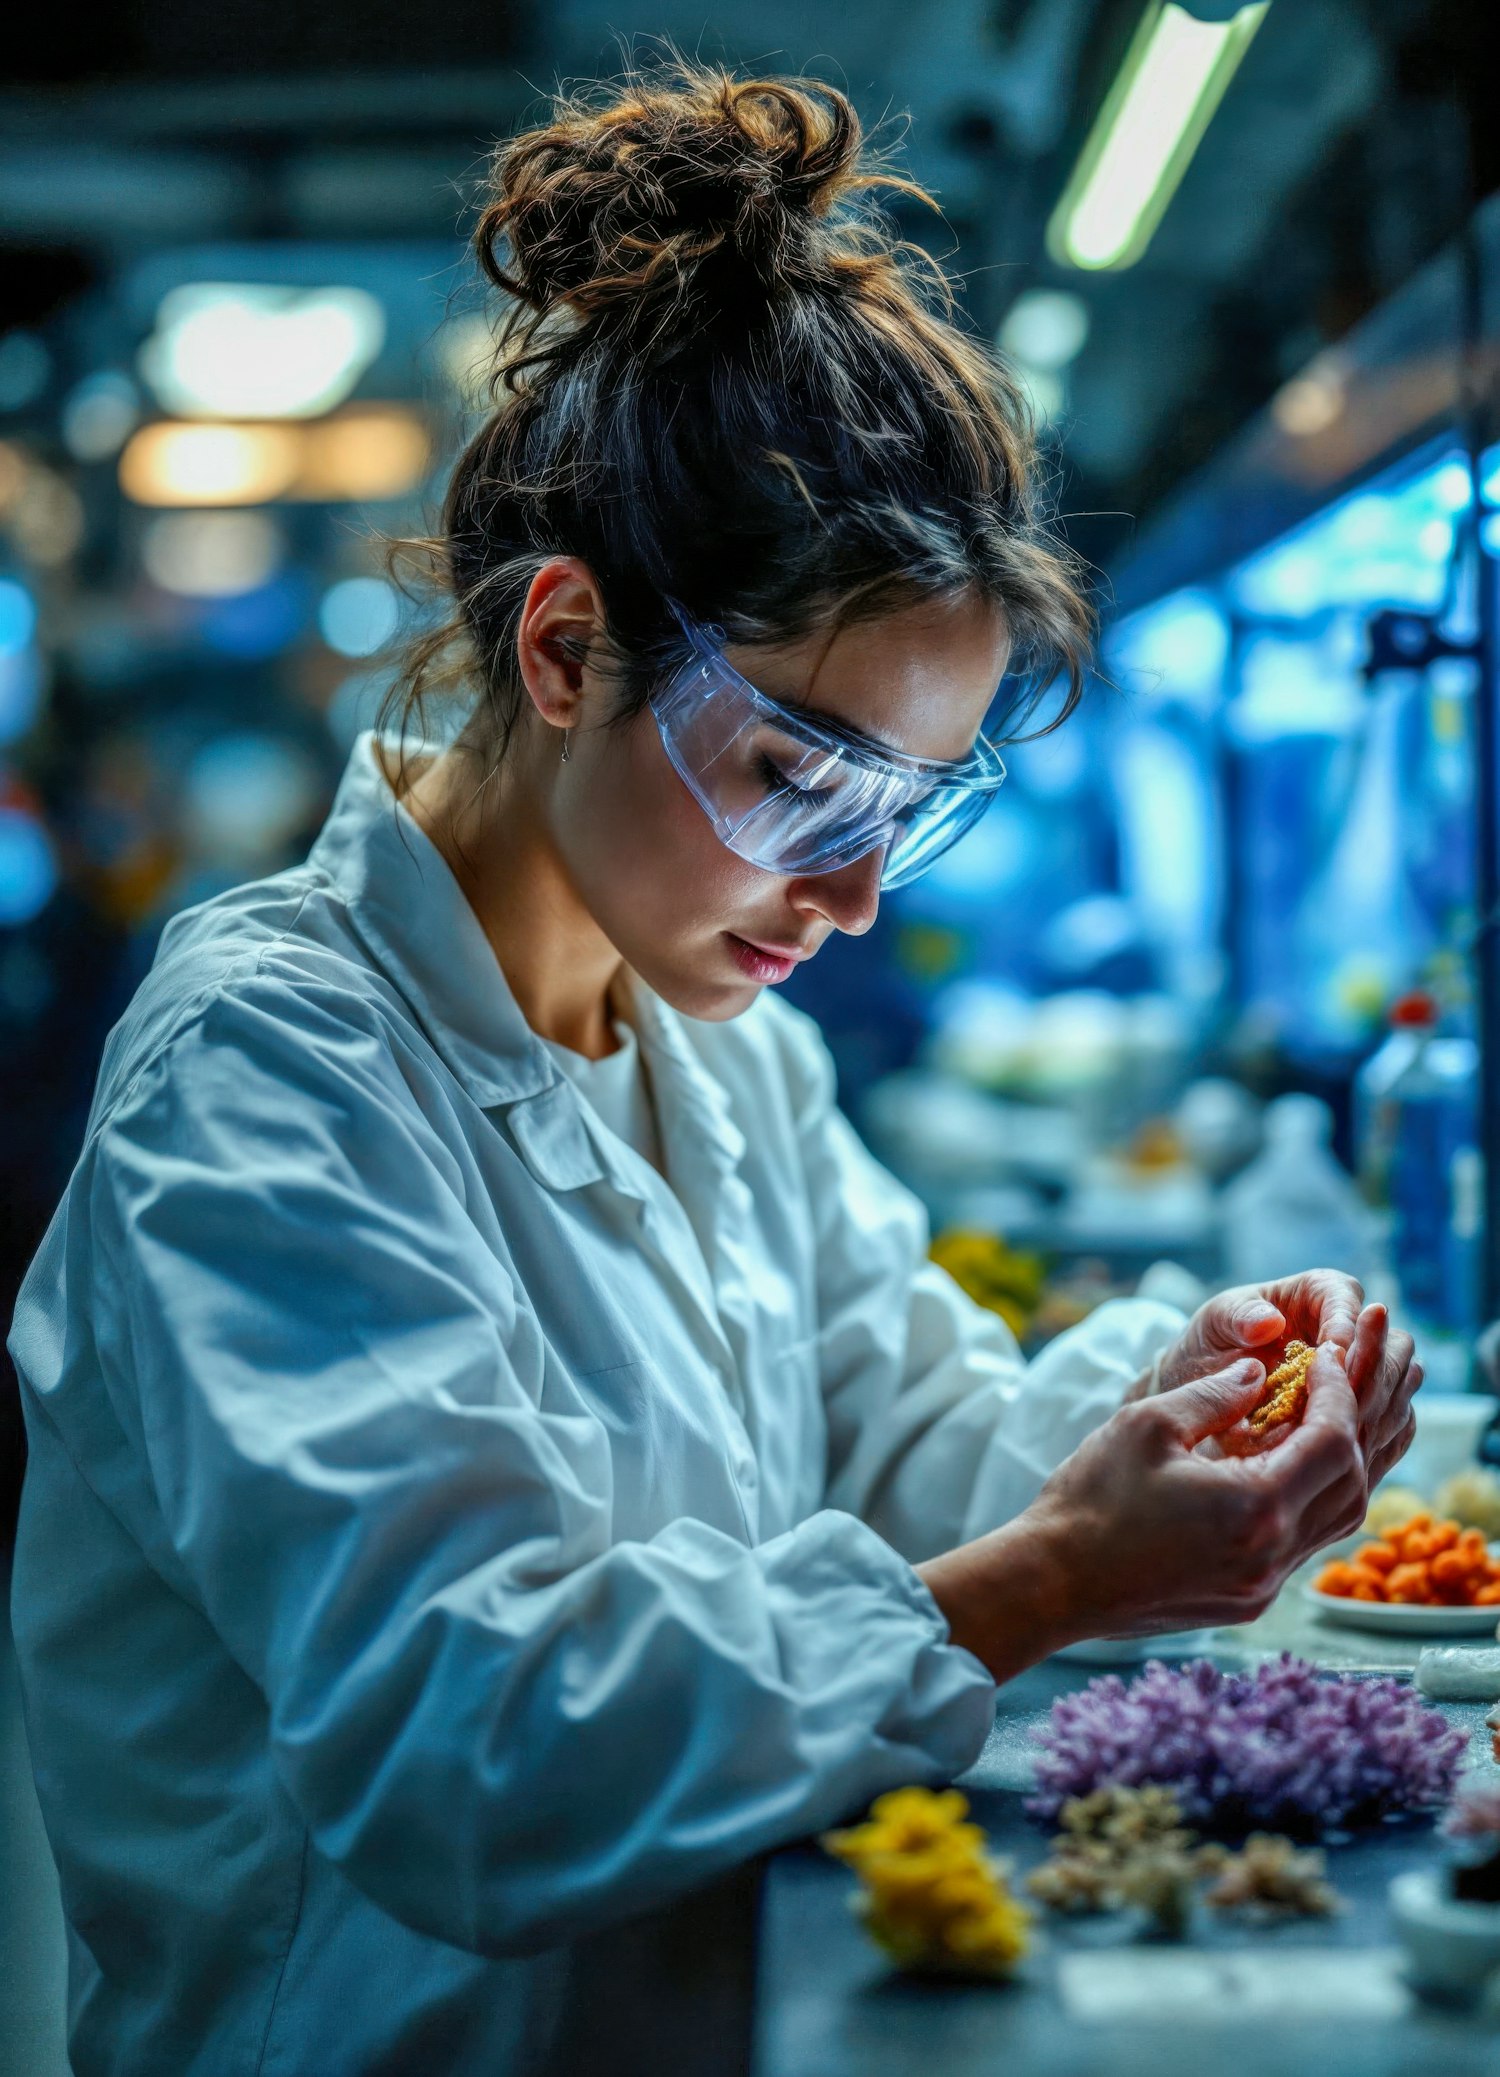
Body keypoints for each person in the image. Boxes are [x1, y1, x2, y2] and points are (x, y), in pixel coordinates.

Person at [8, 61, 1419, 2077]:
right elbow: (477, 1747)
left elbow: (906, 1438)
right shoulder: (265, 1082)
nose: (849, 894)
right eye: (796, 776)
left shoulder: (705, 1037)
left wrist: (1182, 1409)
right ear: (565, 651)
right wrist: (1044, 1577)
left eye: (908, 808)